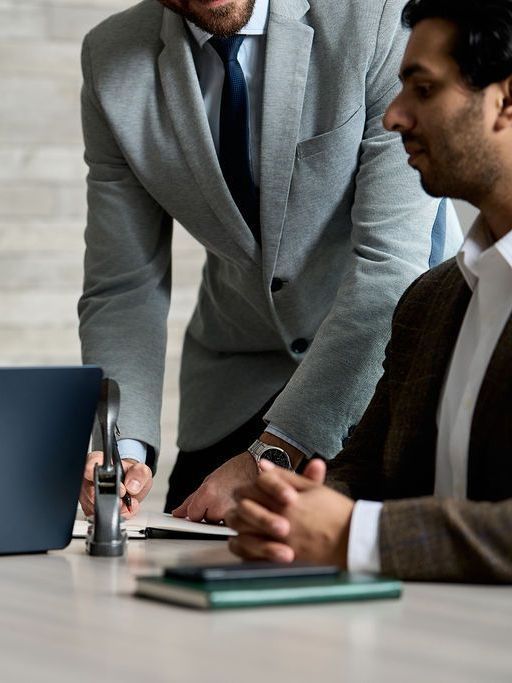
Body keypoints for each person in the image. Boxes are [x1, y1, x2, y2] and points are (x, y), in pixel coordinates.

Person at [78, 0, 461, 521]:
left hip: (382, 368)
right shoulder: (110, 58)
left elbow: (391, 263)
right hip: (236, 380)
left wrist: (272, 454)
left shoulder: (377, 18)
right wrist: (118, 450)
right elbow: (123, 286)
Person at [227, 0, 512, 583]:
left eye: (423, 90)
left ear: (505, 101)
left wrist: (357, 534)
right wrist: (285, 511)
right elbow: (361, 472)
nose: (392, 117)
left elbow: (361, 525)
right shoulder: (430, 303)